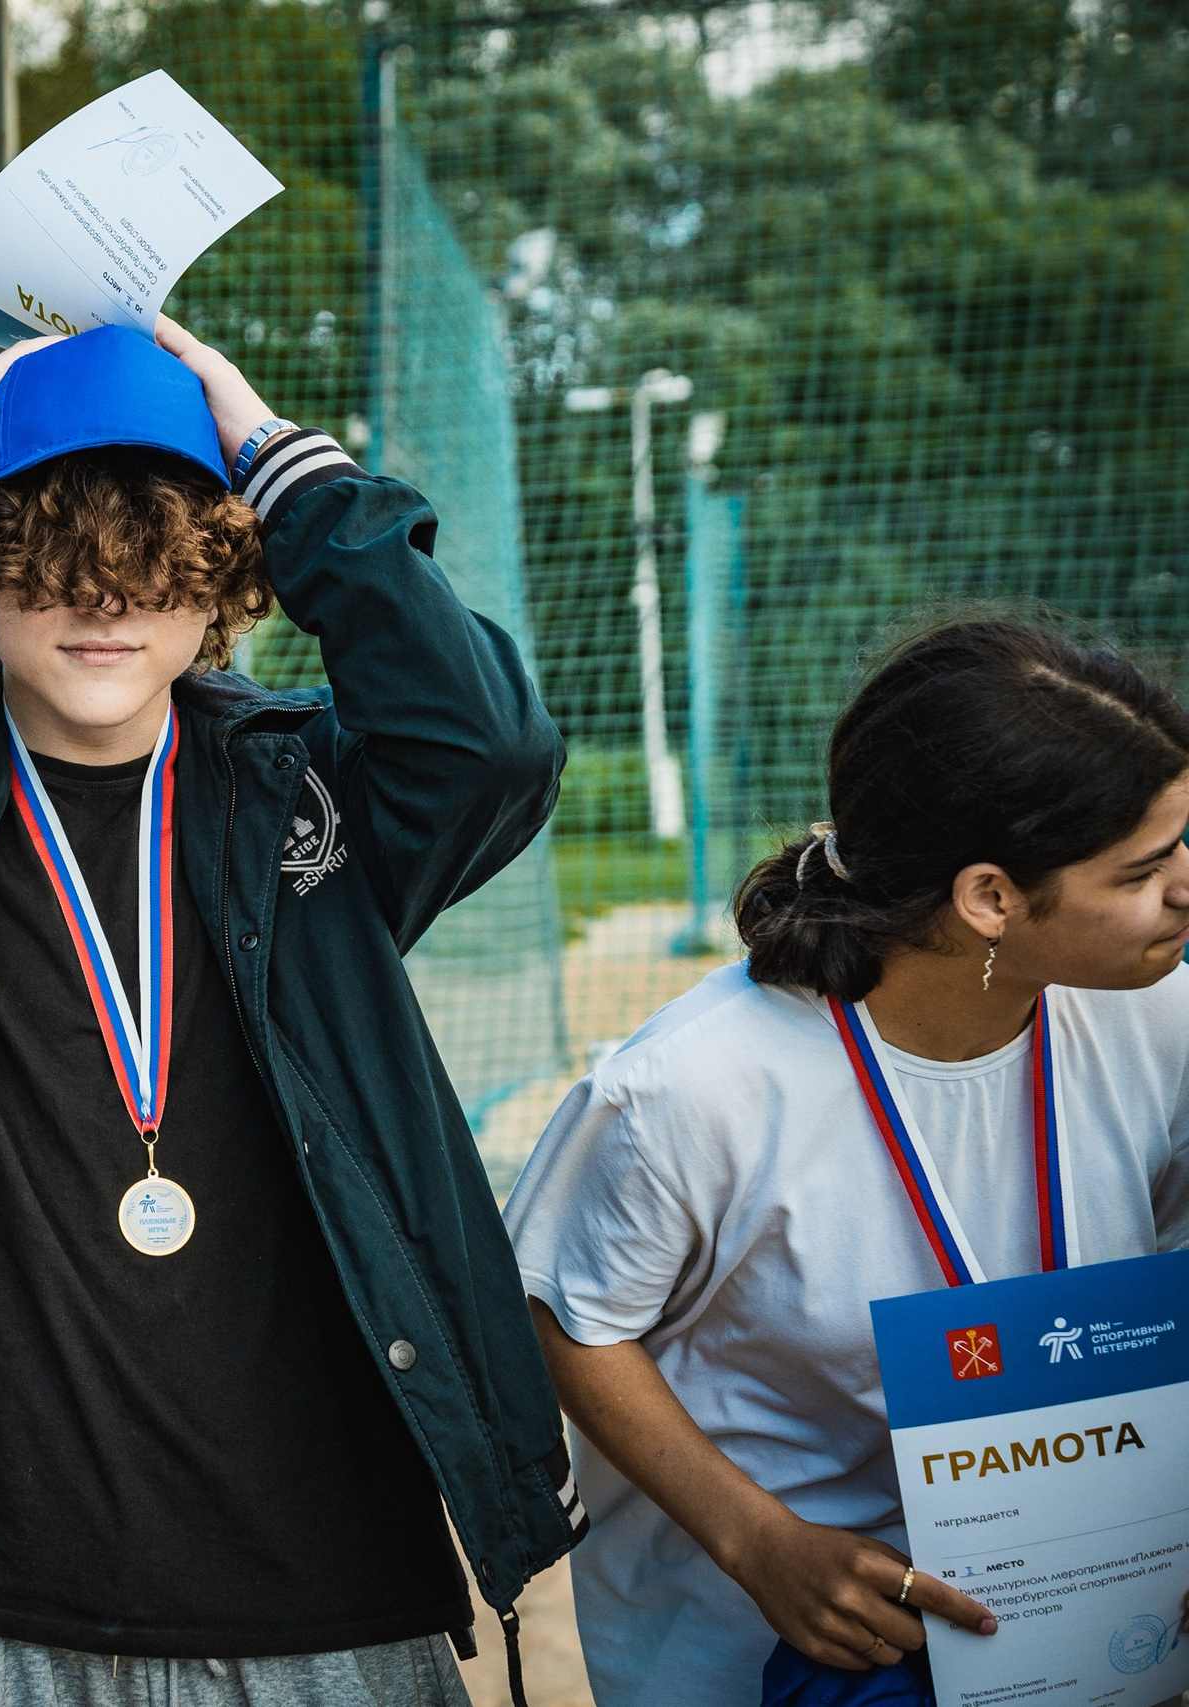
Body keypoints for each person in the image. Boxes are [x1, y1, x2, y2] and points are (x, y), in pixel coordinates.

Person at [0, 320, 580, 1706]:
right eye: (45, 555)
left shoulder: (315, 791)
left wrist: (269, 449)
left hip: (324, 1586)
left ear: (223, 580)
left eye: (157, 557)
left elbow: (491, 740)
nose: (104, 596)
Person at [504, 619, 1189, 1706]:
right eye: (1146, 869)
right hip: (771, 1661)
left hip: (1085, 1631)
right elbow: (563, 1315)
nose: (1185, 888)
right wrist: (758, 1541)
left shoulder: (1154, 1014)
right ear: (991, 901)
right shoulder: (691, 1086)